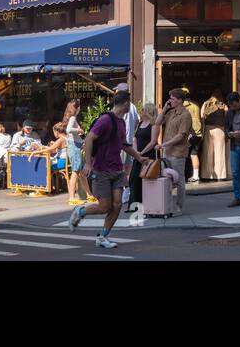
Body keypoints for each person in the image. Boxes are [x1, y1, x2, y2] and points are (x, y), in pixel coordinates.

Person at [70, 91, 151, 249]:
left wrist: (139, 157)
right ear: (126, 103)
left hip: (117, 170)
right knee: (105, 207)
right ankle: (80, 212)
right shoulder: (106, 120)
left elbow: (123, 144)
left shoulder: (121, 122)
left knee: (118, 204)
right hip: (101, 170)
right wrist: (87, 164)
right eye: (130, 102)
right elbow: (89, 139)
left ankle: (102, 237)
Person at [157, 90, 194, 215]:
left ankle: (179, 207)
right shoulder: (171, 112)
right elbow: (157, 122)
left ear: (179, 100)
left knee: (179, 180)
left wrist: (164, 144)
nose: (170, 101)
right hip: (167, 151)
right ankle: (167, 205)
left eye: (172, 99)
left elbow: (181, 136)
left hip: (178, 152)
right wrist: (164, 109)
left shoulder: (185, 115)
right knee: (167, 179)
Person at [128, 103, 158, 207]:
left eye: (144, 110)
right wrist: (136, 152)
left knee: (147, 179)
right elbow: (135, 138)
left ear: (149, 111)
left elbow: (153, 142)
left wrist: (142, 152)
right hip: (138, 155)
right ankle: (135, 203)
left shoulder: (154, 124)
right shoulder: (140, 123)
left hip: (148, 155)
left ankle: (147, 203)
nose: (142, 112)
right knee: (134, 178)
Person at [200, 90, 229, 181]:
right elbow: (227, 118)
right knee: (219, 152)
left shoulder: (206, 104)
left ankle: (207, 175)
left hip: (208, 129)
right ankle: (220, 176)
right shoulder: (223, 105)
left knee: (207, 153)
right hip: (220, 129)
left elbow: (201, 118)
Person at [182, 88, 203, 184]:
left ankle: (182, 175)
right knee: (194, 154)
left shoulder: (184, 106)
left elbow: (185, 121)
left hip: (189, 133)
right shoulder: (196, 104)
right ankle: (196, 175)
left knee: (182, 154)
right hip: (198, 133)